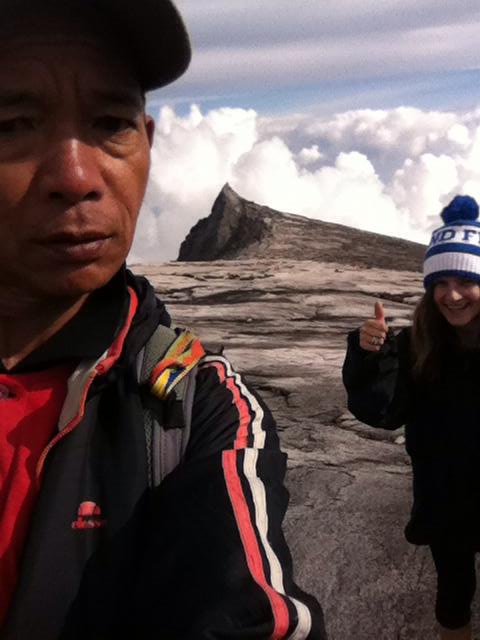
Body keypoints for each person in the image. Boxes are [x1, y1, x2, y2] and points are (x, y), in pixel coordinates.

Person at [0, 0, 327, 638]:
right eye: (12, 124)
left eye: (110, 122)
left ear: (146, 141)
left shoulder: (192, 408)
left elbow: (250, 613)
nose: (75, 178)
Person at [343, 194, 480, 640]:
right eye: (441, 282)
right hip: (446, 501)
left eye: (465, 280)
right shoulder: (415, 343)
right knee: (453, 595)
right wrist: (370, 357)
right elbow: (383, 412)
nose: (452, 295)